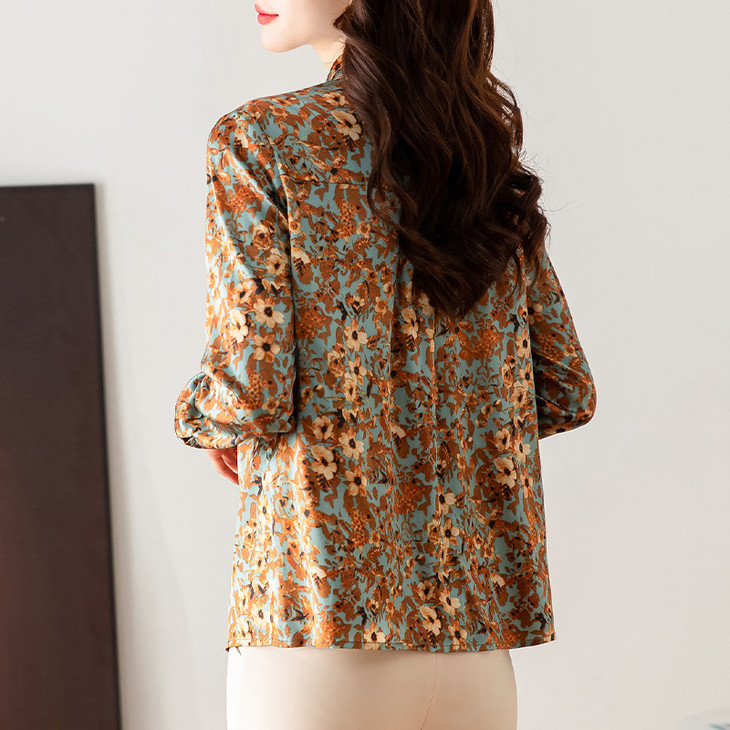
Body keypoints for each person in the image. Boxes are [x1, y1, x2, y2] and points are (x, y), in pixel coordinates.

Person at [173, 0, 598, 727]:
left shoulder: (262, 138)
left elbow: (251, 388)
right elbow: (564, 388)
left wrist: (202, 419)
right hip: (471, 642)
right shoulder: (477, 157)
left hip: (317, 620)